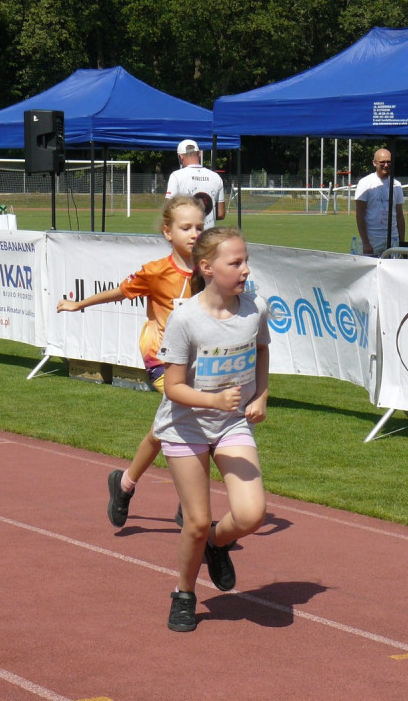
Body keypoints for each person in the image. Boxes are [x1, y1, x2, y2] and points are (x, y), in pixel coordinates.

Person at [57, 196, 206, 528]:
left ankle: (124, 485)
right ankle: (189, 505)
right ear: (168, 232)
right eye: (186, 228)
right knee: (194, 419)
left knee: (165, 430)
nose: (194, 234)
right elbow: (120, 292)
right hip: (161, 362)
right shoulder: (157, 272)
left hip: (198, 365)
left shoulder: (208, 270)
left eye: (200, 227)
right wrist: (78, 304)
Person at [154, 226, 270, 632]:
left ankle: (217, 546)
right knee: (197, 521)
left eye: (245, 260)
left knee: (252, 513)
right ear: (206, 267)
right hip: (185, 427)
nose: (244, 269)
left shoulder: (255, 309)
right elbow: (172, 387)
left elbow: (261, 351)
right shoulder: (185, 318)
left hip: (231, 423)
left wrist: (262, 395)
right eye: (235, 262)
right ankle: (184, 593)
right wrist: (213, 400)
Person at [355, 148, 405, 256]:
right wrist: (366, 243)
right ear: (374, 163)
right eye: (382, 162)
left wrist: (402, 242)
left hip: (393, 239)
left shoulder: (396, 185)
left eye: (388, 162)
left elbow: (400, 216)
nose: (386, 165)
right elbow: (360, 216)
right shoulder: (365, 183)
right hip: (372, 239)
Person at [165, 139, 225, 230]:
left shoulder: (176, 176)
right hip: (208, 236)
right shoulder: (216, 177)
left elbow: (168, 210)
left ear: (181, 157)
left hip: (187, 234)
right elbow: (221, 214)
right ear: (200, 154)